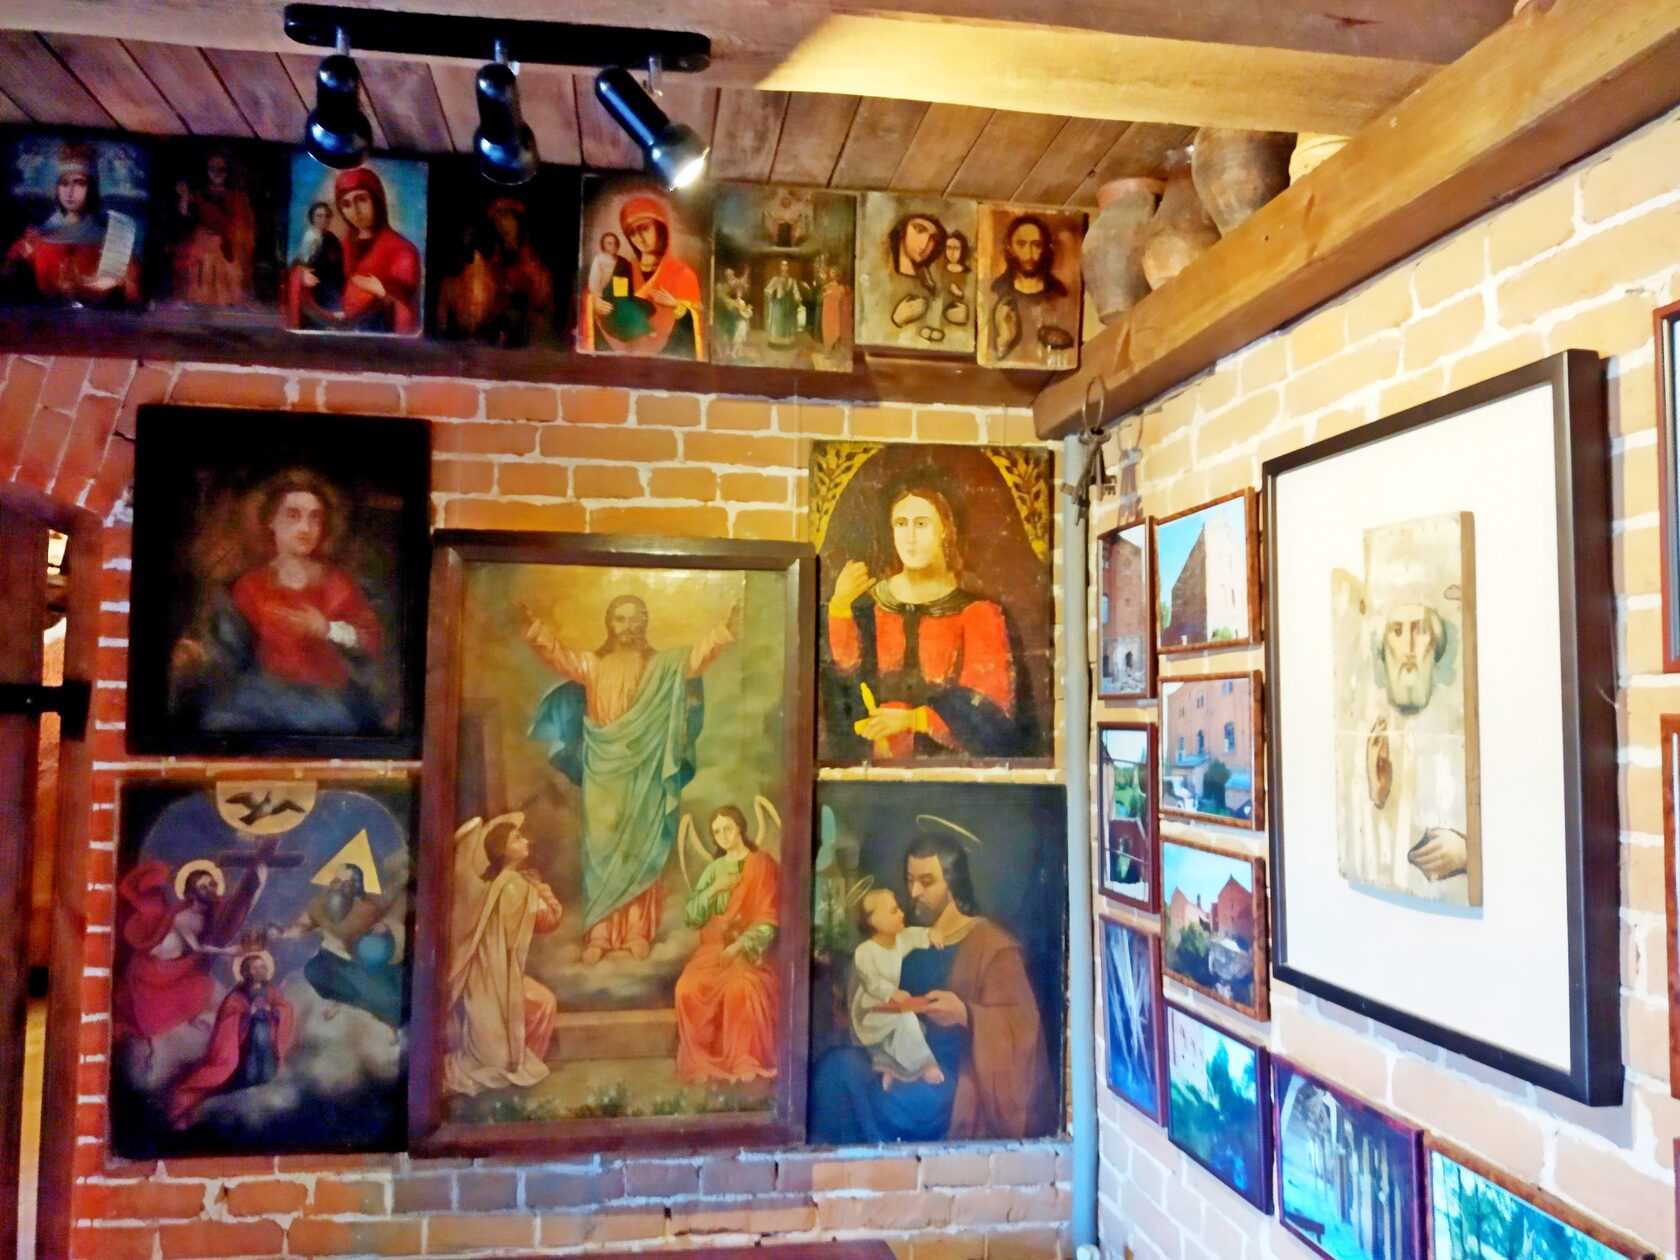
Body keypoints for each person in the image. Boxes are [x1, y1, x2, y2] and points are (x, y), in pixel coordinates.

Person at [524, 593, 738, 962]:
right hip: (604, 769)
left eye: (635, 619)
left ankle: (638, 931)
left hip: (645, 768)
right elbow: (559, 656)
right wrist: (533, 628)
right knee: (602, 851)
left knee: (642, 849)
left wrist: (724, 630)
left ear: (645, 623)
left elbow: (695, 659)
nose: (628, 627)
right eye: (620, 619)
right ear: (609, 624)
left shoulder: (661, 665)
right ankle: (599, 934)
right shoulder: (592, 664)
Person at [809, 830, 1055, 1142]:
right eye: (910, 880)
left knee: (900, 1099)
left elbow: (1023, 1028)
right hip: (895, 1059)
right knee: (833, 1070)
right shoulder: (906, 939)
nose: (914, 892)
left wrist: (965, 1013)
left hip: (951, 1077)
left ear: (952, 882)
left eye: (926, 882)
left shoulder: (991, 945)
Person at [176, 468, 384, 735]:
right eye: (293, 515)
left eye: (315, 518)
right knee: (217, 725)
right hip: (260, 697)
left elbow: (369, 641)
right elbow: (229, 651)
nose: (305, 528)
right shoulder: (250, 586)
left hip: (322, 700)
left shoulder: (336, 585)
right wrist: (196, 654)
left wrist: (327, 629)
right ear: (271, 521)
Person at [825, 481, 1021, 758]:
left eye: (921, 524)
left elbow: (989, 710)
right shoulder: (869, 604)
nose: (910, 537)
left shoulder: (979, 612)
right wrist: (840, 607)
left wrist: (914, 719)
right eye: (901, 524)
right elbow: (844, 683)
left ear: (945, 529)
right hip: (875, 764)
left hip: (947, 768)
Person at [444, 813, 564, 1095]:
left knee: (543, 1001)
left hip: (498, 976)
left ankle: (518, 1062)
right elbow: (548, 919)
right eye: (517, 838)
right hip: (492, 982)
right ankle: (514, 1068)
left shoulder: (507, 884)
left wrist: (539, 891)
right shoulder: (513, 886)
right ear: (503, 850)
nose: (526, 841)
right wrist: (543, 894)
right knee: (543, 1004)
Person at [672, 805, 781, 1083]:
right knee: (687, 988)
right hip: (712, 951)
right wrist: (713, 889)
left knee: (741, 988)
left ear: (740, 827)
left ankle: (745, 1060)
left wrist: (740, 945)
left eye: (728, 828)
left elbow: (768, 919)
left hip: (748, 952)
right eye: (717, 832)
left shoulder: (761, 864)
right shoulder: (714, 870)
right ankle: (700, 1062)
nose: (723, 836)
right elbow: (693, 917)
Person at [113, 859, 267, 1052]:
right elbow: (196, 947)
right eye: (203, 887)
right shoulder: (183, 916)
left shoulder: (210, 914)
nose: (210, 890)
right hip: (156, 973)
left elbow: (235, 910)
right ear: (192, 893)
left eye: (212, 884)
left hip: (177, 969)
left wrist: (257, 884)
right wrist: (227, 952)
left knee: (210, 992)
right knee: (203, 990)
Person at [2, 140, 142, 307]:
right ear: (57, 189)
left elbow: (134, 296)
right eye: (64, 183)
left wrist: (119, 281)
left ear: (91, 189)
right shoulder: (36, 237)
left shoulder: (113, 241)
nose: (70, 191)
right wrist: (21, 261)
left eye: (79, 183)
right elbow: (6, 286)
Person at [163, 950, 294, 1128]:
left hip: (266, 1046)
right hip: (243, 1046)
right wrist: (249, 1013)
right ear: (246, 972)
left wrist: (272, 1010)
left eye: (262, 967)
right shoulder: (237, 995)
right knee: (243, 1074)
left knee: (266, 1073)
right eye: (255, 968)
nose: (259, 971)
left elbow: (285, 1009)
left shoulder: (270, 991)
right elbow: (228, 1019)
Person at [286, 166, 421, 333]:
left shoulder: (403, 250)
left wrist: (384, 292)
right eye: (346, 204)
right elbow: (320, 276)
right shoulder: (340, 246)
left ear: (376, 200)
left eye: (362, 199)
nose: (355, 211)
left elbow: (408, 309)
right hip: (335, 328)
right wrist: (301, 276)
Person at [278, 857, 405, 1031]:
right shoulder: (321, 902)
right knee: (313, 971)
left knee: (390, 1004)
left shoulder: (368, 908)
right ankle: (346, 1001)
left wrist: (384, 928)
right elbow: (304, 925)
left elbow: (380, 943)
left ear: (356, 885)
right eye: (336, 880)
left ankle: (382, 1016)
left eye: (345, 883)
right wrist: (286, 932)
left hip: (358, 965)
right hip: (329, 960)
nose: (338, 886)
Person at [580, 195, 704, 358]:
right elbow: (605, 293)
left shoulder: (682, 274)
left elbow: (697, 323)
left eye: (644, 229)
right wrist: (596, 301)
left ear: (661, 229)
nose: (638, 238)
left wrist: (676, 305)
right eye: (632, 233)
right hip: (625, 359)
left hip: (668, 361)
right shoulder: (625, 267)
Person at [849, 888, 945, 1088]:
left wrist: (931, 933)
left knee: (905, 1026)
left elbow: (915, 935)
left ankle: (890, 1068)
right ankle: (927, 1066)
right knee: (907, 1021)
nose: (901, 914)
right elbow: (872, 982)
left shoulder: (899, 941)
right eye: (893, 911)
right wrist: (891, 993)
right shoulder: (865, 951)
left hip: (889, 1007)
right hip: (869, 1012)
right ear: (873, 921)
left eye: (899, 909)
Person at [167, 148, 257, 307]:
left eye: (222, 170)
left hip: (227, 242)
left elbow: (240, 224)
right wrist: (184, 196)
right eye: (213, 169)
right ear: (207, 171)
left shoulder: (236, 197)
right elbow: (185, 214)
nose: (217, 174)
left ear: (227, 172)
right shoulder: (200, 195)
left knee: (218, 253)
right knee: (202, 252)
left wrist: (226, 237)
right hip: (204, 240)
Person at [987, 214, 1071, 363]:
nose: (1029, 255)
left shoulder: (1059, 294)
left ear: (1045, 248)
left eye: (1036, 245)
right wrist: (1004, 340)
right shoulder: (996, 292)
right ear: (1010, 247)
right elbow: (993, 357)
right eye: (1021, 244)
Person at [289, 201, 344, 314]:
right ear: (312, 218)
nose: (323, 219)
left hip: (333, 282)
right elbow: (302, 262)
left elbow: (338, 262)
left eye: (327, 216)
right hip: (316, 284)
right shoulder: (309, 238)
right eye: (319, 216)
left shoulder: (332, 238)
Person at [763, 259, 803, 348]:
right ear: (780, 267)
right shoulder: (775, 279)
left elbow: (796, 292)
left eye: (786, 265)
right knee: (778, 322)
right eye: (783, 265)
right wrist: (772, 293)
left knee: (787, 323)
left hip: (788, 304)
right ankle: (776, 342)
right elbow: (767, 290)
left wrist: (798, 299)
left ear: (788, 268)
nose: (784, 267)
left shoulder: (792, 280)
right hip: (778, 304)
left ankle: (786, 343)